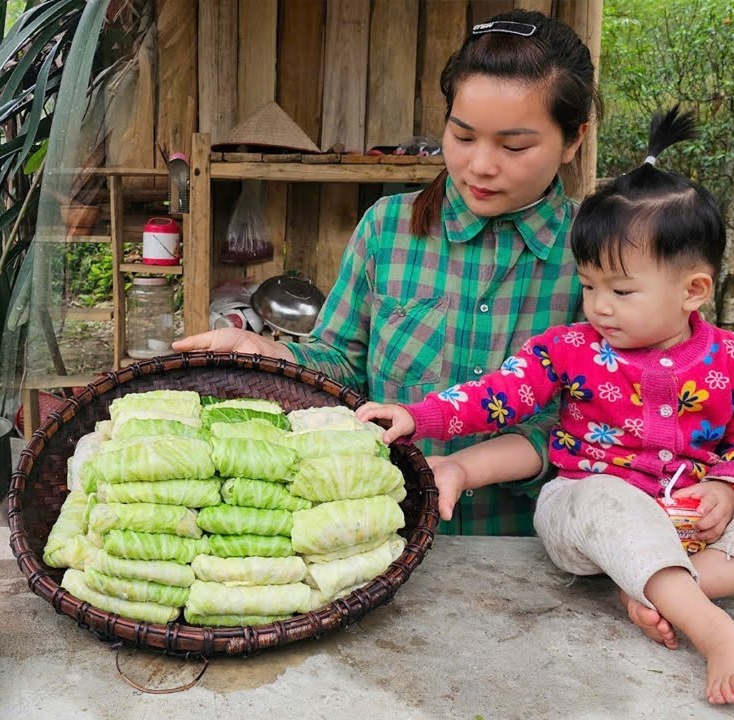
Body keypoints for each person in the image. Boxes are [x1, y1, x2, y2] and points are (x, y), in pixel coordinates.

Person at [357, 108, 734, 706]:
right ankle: (715, 632)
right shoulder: (568, 351)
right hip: (582, 510)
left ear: (693, 290)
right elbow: (493, 398)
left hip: (689, 526)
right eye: (589, 284)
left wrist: (729, 490)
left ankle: (657, 586)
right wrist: (419, 417)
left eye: (621, 291)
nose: (598, 306)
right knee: (608, 500)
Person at [175, 9, 600, 536]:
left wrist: (474, 468)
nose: (480, 165)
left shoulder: (597, 255)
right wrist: (273, 355)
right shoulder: (388, 229)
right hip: (384, 533)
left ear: (573, 140)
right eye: (463, 136)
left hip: (530, 552)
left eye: (514, 146)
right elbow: (343, 366)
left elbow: (600, 422)